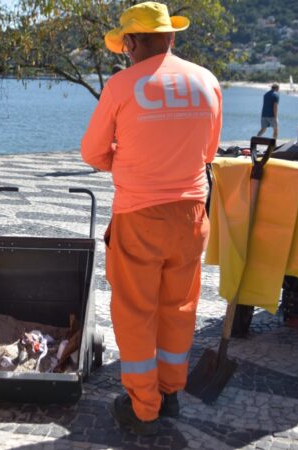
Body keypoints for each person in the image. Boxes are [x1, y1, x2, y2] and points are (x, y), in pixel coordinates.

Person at [81, 1, 221, 435]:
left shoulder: (122, 86)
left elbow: (92, 152)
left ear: (133, 41)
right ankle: (171, 391)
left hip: (139, 215)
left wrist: (126, 163)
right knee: (178, 308)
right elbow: (209, 153)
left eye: (126, 44)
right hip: (192, 214)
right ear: (171, 36)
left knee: (136, 311)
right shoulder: (207, 81)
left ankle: (144, 406)